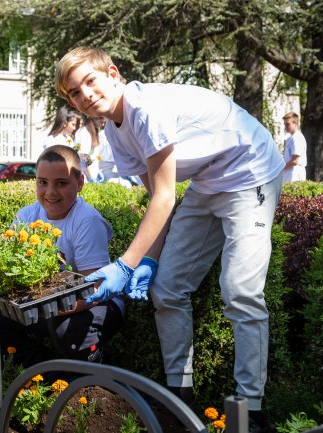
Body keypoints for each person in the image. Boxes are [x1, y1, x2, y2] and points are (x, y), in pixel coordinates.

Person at [55, 46, 284, 432]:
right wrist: (149, 261)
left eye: (90, 81)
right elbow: (158, 200)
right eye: (75, 93)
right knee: (167, 290)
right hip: (209, 183)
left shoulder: (146, 110)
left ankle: (251, 410)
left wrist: (125, 265)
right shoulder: (114, 132)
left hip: (250, 172)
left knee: (240, 290)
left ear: (113, 73)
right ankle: (179, 394)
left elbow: (164, 197)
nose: (86, 95)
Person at [0, 144, 124, 366]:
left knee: (66, 328)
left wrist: (45, 310)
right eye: (42, 182)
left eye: (61, 183)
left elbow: (94, 288)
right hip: (44, 301)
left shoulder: (87, 220)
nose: (50, 192)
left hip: (97, 303)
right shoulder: (27, 215)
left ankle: (92, 367)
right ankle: (38, 369)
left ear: (79, 184)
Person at [74, 116, 103, 182]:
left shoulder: (91, 132)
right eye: (101, 122)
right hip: (85, 177)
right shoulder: (84, 132)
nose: (103, 124)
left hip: (90, 175)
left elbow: (91, 155)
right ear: (94, 119)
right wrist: (90, 177)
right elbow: (83, 157)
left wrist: (96, 171)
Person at [282, 112, 308, 183]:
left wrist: (280, 169)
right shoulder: (291, 138)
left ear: (295, 123)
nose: (285, 127)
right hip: (289, 174)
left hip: (295, 175)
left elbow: (295, 161)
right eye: (285, 124)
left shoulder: (297, 138)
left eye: (287, 124)